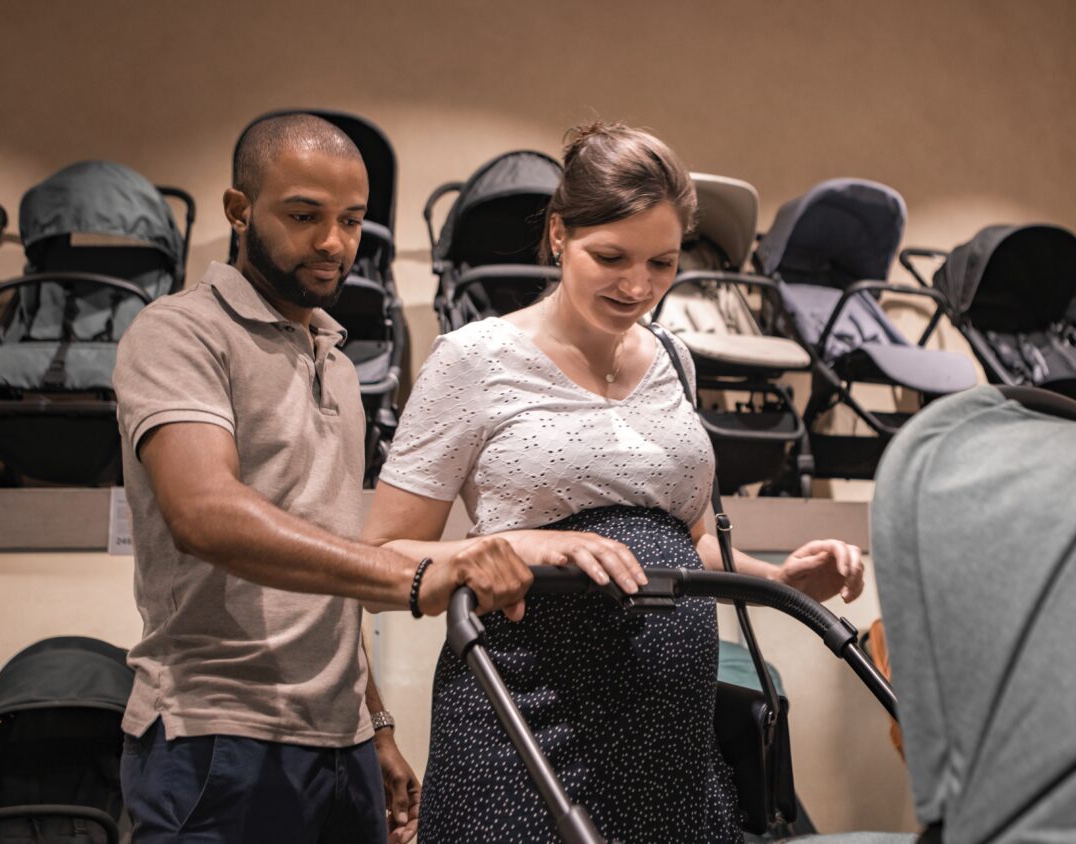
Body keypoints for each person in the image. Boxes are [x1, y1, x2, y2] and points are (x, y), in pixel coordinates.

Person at [365, 122, 866, 843]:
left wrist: (781, 576)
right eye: (611, 257)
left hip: (671, 741)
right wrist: (532, 546)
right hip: (524, 723)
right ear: (560, 234)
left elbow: (689, 543)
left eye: (662, 263)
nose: (638, 287)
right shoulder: (472, 360)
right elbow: (382, 557)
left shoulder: (674, 360)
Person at [112, 113, 535, 843]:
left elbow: (327, 555)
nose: (333, 242)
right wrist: (402, 576)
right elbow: (205, 512)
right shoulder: (178, 332)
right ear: (239, 211)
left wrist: (372, 721)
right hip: (216, 737)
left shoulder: (336, 362)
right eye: (304, 215)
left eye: (351, 220)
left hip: (340, 747)